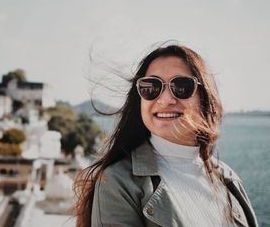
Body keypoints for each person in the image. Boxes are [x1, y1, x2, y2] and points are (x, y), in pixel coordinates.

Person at [74, 45, 258, 227]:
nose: (165, 100)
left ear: (205, 97)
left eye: (182, 86)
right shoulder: (118, 182)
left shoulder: (228, 179)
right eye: (151, 87)